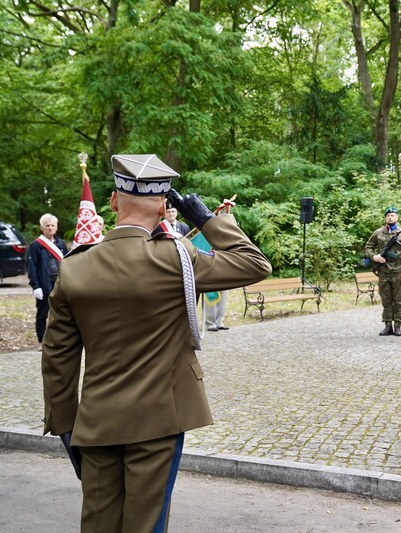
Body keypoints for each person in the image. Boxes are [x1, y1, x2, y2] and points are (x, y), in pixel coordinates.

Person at [41, 154, 271, 532]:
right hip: (159, 419)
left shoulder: (74, 266)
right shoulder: (175, 259)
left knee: (98, 524)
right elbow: (254, 264)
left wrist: (65, 426)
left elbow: (57, 355)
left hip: (96, 422)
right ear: (165, 205)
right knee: (145, 525)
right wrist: (204, 216)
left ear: (113, 202)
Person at [365, 206, 401, 336]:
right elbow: (368, 247)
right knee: (386, 299)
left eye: (392, 215)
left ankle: (397, 326)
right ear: (385, 218)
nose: (390, 217)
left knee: (398, 300)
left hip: (398, 272)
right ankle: (387, 325)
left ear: (397, 218)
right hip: (383, 272)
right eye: (388, 215)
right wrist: (375, 257)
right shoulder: (378, 233)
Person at [27, 213, 68, 351]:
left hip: (59, 283)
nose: (50, 228)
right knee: (43, 314)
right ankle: (41, 341)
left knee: (60, 314)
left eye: (52, 225)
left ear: (56, 227)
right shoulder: (35, 245)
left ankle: (58, 340)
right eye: (47, 226)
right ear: (41, 228)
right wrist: (35, 286)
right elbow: (31, 267)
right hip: (44, 284)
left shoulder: (61, 244)